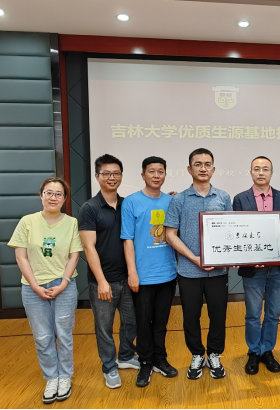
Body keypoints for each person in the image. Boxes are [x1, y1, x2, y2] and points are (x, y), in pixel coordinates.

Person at [8, 178, 82, 405]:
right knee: (42, 336)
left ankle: (65, 377)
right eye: (48, 193)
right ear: (41, 195)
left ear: (65, 199)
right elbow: (21, 256)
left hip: (64, 285)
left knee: (64, 334)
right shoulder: (27, 221)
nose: (53, 197)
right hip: (33, 287)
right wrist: (34, 286)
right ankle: (51, 378)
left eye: (58, 194)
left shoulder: (71, 223)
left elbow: (74, 255)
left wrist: (63, 283)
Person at [165, 148, 233, 380]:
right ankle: (196, 354)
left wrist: (232, 257)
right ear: (189, 169)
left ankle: (213, 354)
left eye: (207, 164)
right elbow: (170, 234)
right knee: (190, 317)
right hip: (188, 271)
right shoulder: (179, 199)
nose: (203, 168)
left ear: (213, 169)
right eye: (198, 164)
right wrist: (194, 258)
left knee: (218, 316)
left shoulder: (223, 197)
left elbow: (231, 230)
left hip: (218, 272)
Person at [78, 155, 139, 390]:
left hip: (128, 278)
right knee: (104, 328)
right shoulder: (90, 208)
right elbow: (88, 247)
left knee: (131, 322)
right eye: (106, 173)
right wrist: (102, 281)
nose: (111, 177)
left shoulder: (127, 204)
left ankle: (126, 356)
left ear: (121, 176)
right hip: (103, 282)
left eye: (116, 173)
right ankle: (109, 366)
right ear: (97, 176)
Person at [233, 156, 280, 376]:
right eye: (257, 169)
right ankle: (253, 352)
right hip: (253, 268)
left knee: (273, 313)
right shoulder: (240, 199)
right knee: (252, 314)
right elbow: (236, 230)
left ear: (272, 172)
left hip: (278, 267)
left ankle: (267, 350)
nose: (261, 173)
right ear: (250, 172)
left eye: (265, 169)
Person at [121, 156, 179, 387]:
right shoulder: (131, 202)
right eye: (151, 171)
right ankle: (145, 362)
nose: (156, 175)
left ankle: (160, 359)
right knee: (143, 323)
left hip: (168, 273)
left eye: (160, 171)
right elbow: (127, 240)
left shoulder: (171, 201)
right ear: (143, 175)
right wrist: (132, 273)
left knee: (161, 322)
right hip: (142, 276)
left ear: (165, 174)